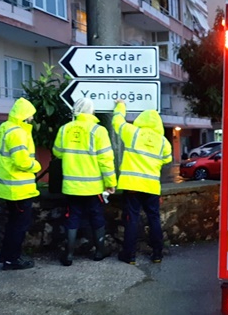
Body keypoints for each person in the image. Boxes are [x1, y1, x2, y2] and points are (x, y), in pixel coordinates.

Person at [52, 98, 116, 267]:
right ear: (91, 111)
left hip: (71, 186)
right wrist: (110, 182)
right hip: (93, 187)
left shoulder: (65, 129)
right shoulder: (99, 131)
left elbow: (57, 153)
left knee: (72, 217)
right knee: (96, 217)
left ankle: (69, 254)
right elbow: (106, 160)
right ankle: (99, 251)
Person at [112, 99, 172, 264]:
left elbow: (117, 121)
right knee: (154, 218)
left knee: (132, 218)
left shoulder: (133, 133)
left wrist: (120, 105)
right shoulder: (163, 142)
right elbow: (168, 159)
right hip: (151, 185)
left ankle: (129, 255)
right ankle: (157, 254)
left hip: (132, 185)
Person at [0, 97, 41, 271]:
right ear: (25, 116)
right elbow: (22, 161)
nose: (32, 118)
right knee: (19, 225)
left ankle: (6, 255)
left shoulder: (4, 128)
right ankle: (12, 260)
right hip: (17, 187)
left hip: (7, 186)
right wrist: (36, 165)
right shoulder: (18, 132)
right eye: (31, 115)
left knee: (12, 223)